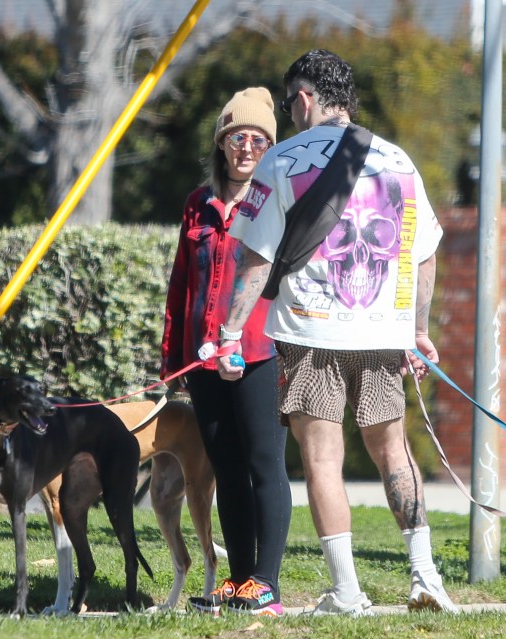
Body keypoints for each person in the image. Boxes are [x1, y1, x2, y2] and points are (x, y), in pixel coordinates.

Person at [215, 50, 459, 615]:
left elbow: (255, 256)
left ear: (302, 99)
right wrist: (417, 329)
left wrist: (230, 332)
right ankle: (426, 577)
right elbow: (425, 254)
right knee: (393, 451)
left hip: (311, 330)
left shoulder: (281, 161)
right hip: (380, 333)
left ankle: (348, 591)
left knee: (323, 460)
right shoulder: (399, 161)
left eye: (288, 103)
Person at [161, 87, 291, 618]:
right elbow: (180, 282)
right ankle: (239, 582)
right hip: (205, 356)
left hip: (260, 351)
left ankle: (268, 585)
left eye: (259, 139)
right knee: (227, 467)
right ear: (221, 143)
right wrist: (174, 359)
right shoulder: (198, 203)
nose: (247, 147)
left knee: (265, 463)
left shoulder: (278, 200)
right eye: (238, 137)